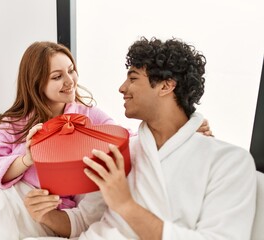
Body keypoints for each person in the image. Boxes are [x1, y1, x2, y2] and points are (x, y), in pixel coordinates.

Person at [0, 40, 212, 238]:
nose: (70, 80)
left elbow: (125, 138)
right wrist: (27, 159)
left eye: (71, 70)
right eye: (57, 76)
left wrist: (184, 129)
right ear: (36, 83)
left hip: (66, 210)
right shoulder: (13, 123)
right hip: (27, 200)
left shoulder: (87, 114)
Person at [74, 37, 257, 239]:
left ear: (166, 86)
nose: (122, 88)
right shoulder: (123, 151)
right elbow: (83, 220)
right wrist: (45, 214)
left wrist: (125, 205)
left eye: (133, 78)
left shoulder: (229, 162)